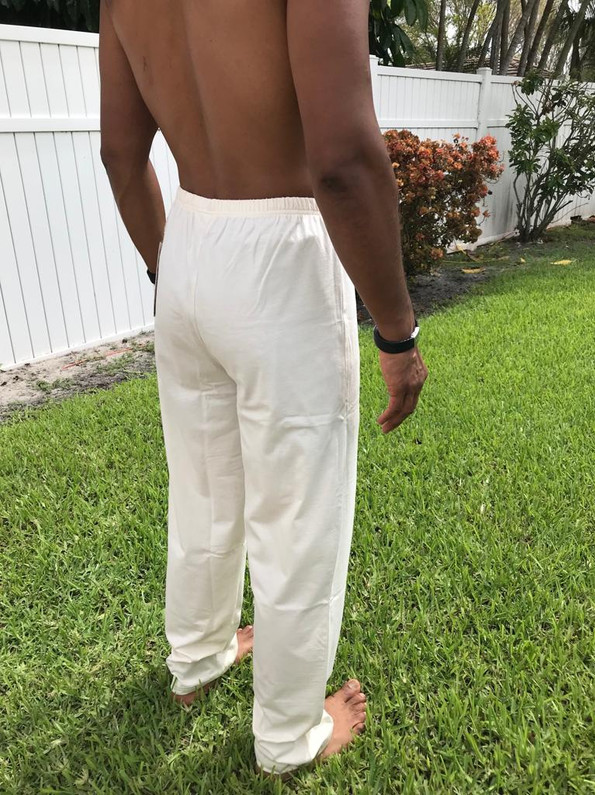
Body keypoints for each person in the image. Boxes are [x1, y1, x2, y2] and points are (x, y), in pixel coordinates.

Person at [99, 0, 428, 778]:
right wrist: (397, 331)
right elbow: (341, 160)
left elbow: (119, 152)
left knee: (204, 485)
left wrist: (172, 268)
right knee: (299, 515)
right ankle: (286, 735)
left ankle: (198, 657)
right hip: (283, 247)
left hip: (186, 242)